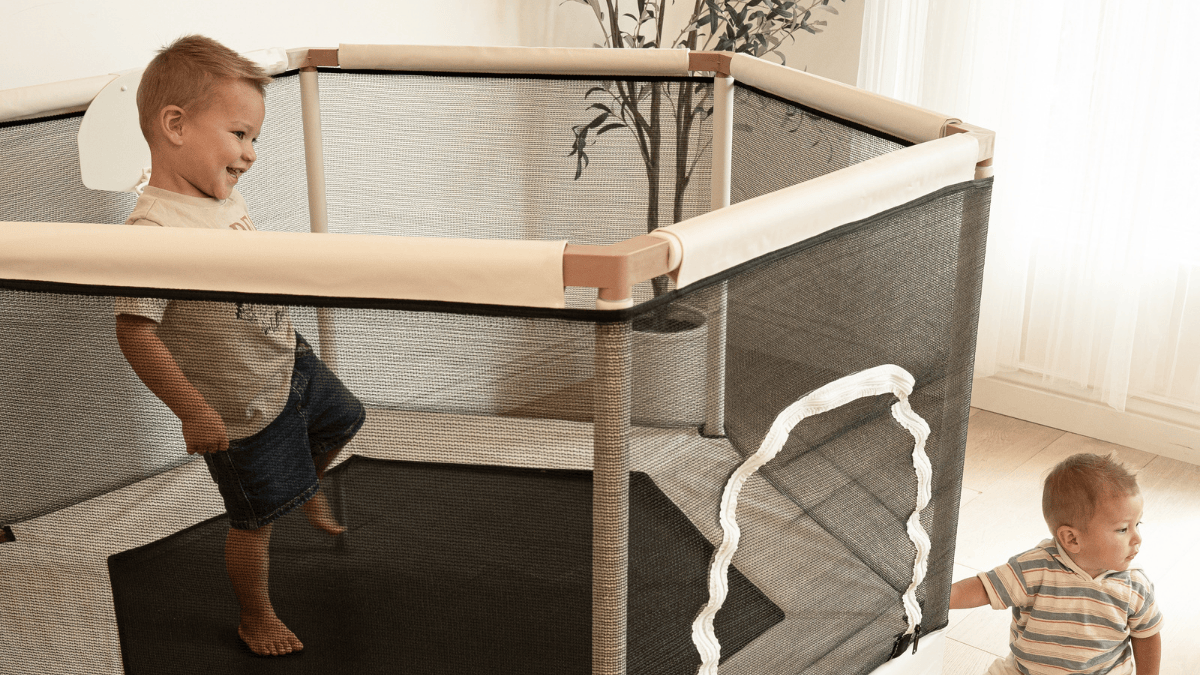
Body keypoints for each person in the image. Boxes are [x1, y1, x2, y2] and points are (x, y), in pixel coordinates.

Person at [113, 35, 365, 657]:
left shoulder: (216, 197)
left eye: (255, 140)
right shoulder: (153, 232)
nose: (250, 154)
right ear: (175, 125)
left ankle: (297, 485)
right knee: (253, 525)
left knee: (348, 417)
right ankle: (256, 616)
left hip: (287, 359)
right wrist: (192, 410)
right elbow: (134, 329)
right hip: (238, 410)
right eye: (239, 135)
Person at [949, 453, 1163, 675]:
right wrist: (934, 601)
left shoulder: (1134, 586)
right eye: (1122, 529)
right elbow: (984, 588)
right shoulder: (1034, 568)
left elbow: (1146, 635)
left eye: (1138, 523)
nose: (1137, 538)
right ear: (1072, 538)